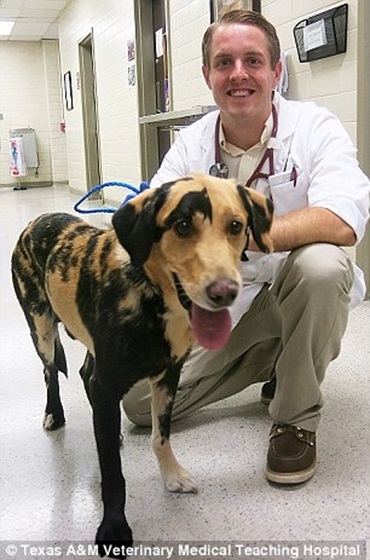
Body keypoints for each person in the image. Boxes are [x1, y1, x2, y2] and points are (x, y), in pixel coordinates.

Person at [123, 9, 370, 485]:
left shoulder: (314, 127)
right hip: (227, 303)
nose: (239, 73)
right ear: (207, 75)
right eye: (224, 62)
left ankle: (295, 417)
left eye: (253, 61)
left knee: (323, 264)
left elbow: (342, 218)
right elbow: (148, 223)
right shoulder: (189, 147)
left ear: (276, 72)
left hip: (294, 290)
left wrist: (233, 239)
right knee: (137, 404)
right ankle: (285, 357)